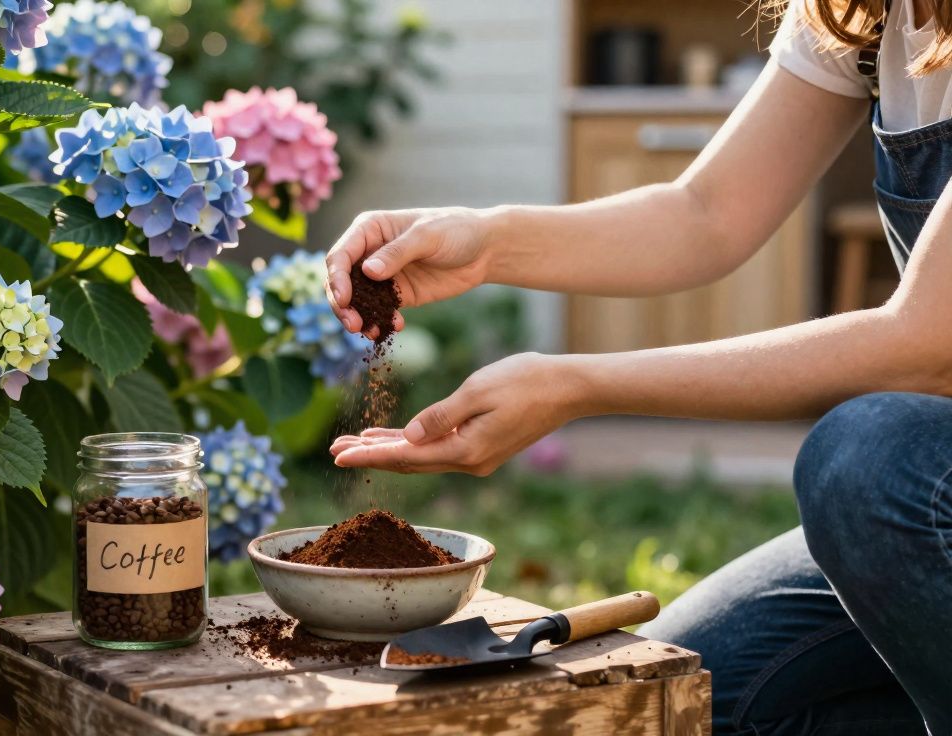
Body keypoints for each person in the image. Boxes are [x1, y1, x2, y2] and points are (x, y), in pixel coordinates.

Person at [323, 1, 952, 733]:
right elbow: (705, 213)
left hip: (918, 487)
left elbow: (926, 344)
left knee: (865, 459)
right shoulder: (864, 13)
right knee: (685, 702)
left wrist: (576, 385)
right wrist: (484, 240)